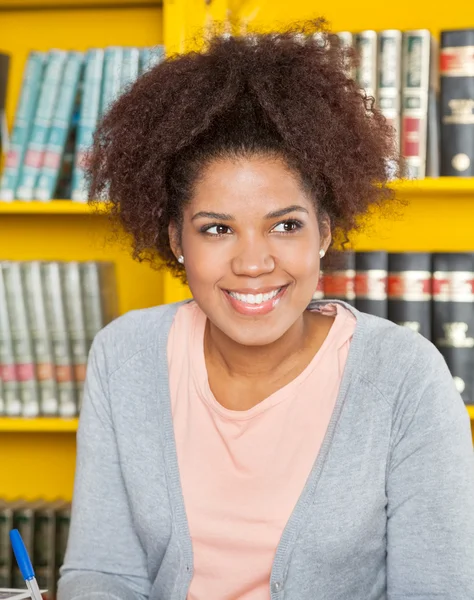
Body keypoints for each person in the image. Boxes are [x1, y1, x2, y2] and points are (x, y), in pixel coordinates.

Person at [58, 21, 474, 600]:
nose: (254, 262)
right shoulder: (125, 355)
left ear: (324, 232)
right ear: (177, 240)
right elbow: (103, 573)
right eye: (217, 229)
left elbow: (438, 591)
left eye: (285, 225)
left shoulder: (404, 376)